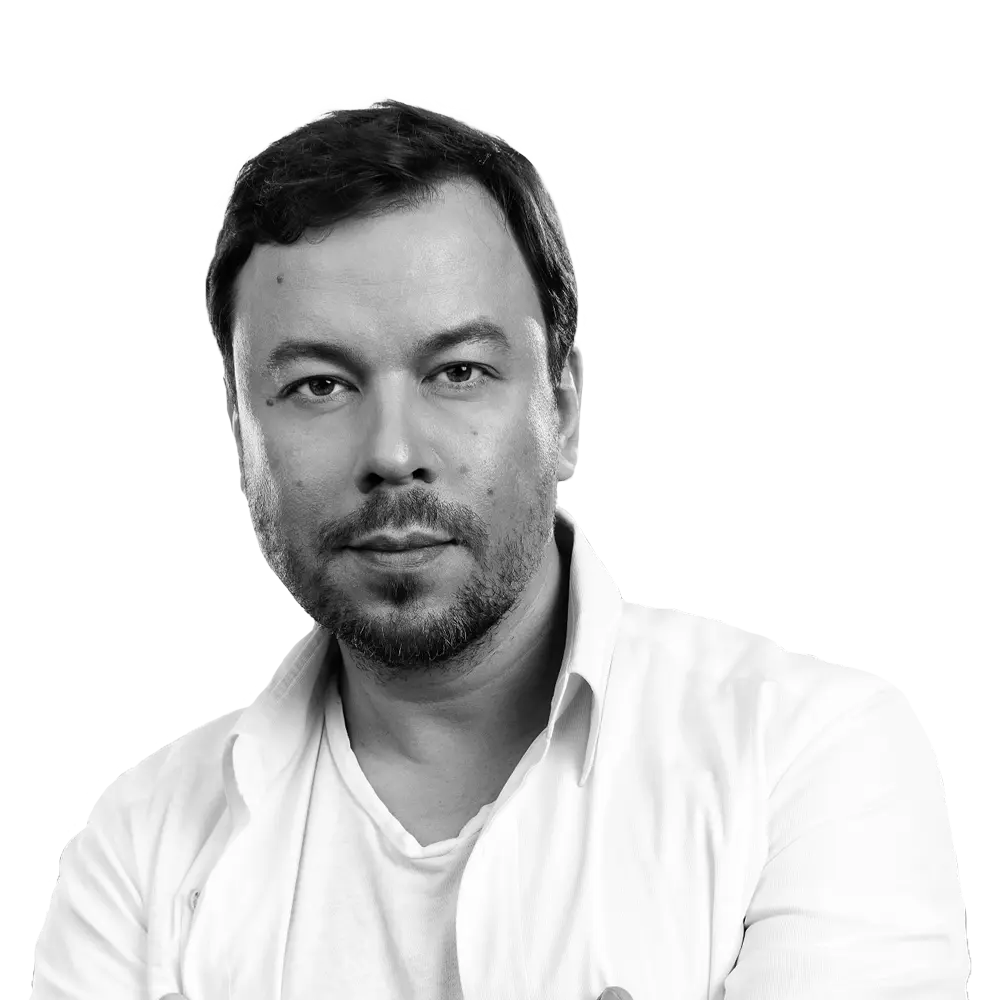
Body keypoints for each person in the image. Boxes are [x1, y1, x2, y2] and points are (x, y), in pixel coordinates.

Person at [29, 98, 970, 1000]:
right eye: (319, 384)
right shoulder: (139, 850)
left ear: (562, 405)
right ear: (241, 435)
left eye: (459, 372)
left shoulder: (813, 759)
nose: (393, 451)